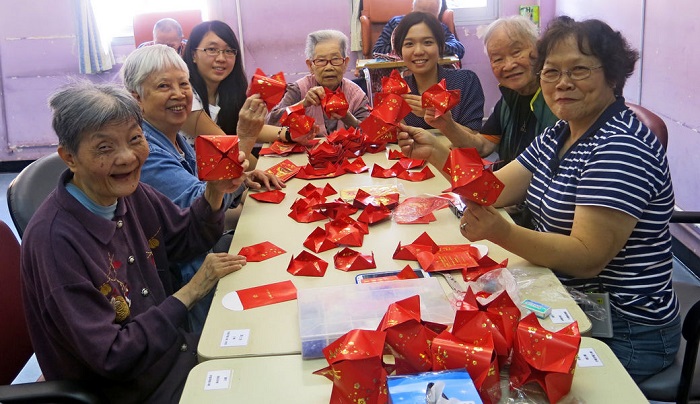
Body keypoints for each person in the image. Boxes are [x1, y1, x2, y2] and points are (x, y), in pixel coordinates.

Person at [399, 16, 681, 383]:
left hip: (624, 327)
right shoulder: (561, 133)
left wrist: (501, 232)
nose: (563, 83)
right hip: (562, 295)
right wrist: (435, 154)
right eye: (551, 72)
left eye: (579, 70)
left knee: (485, 376)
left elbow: (586, 257)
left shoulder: (620, 146)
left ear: (612, 74)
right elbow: (491, 190)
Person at [20, 81, 247, 403]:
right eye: (104, 147)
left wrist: (214, 192)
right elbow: (113, 356)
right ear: (69, 157)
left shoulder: (131, 194)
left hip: (173, 355)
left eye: (135, 139)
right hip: (131, 391)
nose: (128, 157)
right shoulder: (56, 242)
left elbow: (184, 239)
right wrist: (192, 291)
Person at [122, 45, 284, 331]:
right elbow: (200, 209)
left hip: (208, 250)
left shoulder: (179, 138)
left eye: (183, 84)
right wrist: (244, 138)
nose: (179, 94)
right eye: (163, 86)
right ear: (137, 99)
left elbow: (211, 188)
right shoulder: (144, 150)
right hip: (185, 275)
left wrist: (243, 179)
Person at [181, 20, 284, 161]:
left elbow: (248, 128)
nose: (221, 58)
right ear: (193, 55)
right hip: (192, 176)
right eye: (212, 50)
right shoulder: (186, 96)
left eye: (229, 51)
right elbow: (228, 149)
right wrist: (267, 172)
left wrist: (290, 134)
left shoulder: (224, 92)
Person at [268, 29, 370, 140]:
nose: (329, 67)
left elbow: (372, 135)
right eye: (321, 61)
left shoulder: (357, 95)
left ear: (345, 63)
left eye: (335, 59)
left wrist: (347, 117)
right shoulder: (299, 90)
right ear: (310, 65)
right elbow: (270, 124)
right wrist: (303, 104)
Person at [393, 12, 484, 135]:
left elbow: (474, 137)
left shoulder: (465, 81)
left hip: (455, 153)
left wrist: (438, 117)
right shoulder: (399, 91)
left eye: (428, 42)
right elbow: (394, 140)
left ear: (440, 46)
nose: (418, 51)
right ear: (400, 51)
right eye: (409, 44)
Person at [372, 0, 465, 60]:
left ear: (437, 15)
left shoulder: (440, 28)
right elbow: (377, 51)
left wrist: (434, 47)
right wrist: (405, 48)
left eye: (430, 15)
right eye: (420, 13)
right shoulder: (396, 23)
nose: (423, 20)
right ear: (412, 10)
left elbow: (459, 50)